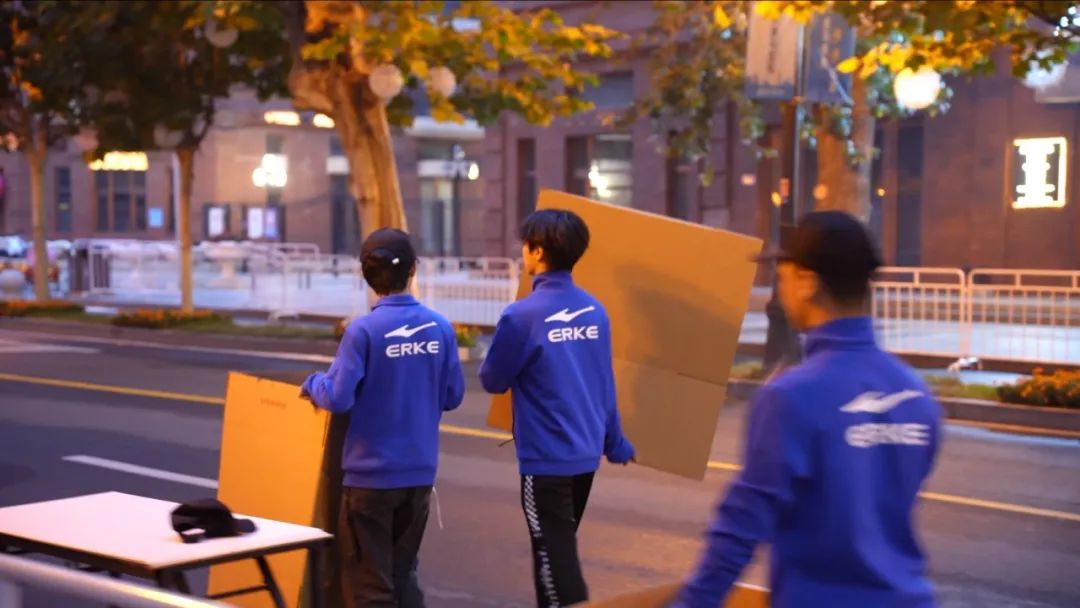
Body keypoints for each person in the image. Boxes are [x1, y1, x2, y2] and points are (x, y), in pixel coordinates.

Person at [673, 210, 942, 608]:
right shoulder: (917, 395)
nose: (779, 290)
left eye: (782, 276)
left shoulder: (791, 396)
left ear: (806, 282)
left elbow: (741, 525)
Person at [480, 208, 635, 608]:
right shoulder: (594, 310)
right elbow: (604, 382)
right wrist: (615, 441)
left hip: (546, 460)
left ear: (537, 252)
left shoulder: (521, 315)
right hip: (585, 456)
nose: (522, 253)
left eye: (525, 246)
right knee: (558, 549)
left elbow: (492, 380)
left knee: (553, 558)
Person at [302, 228, 465, 608]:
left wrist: (313, 383)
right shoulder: (440, 328)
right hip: (419, 476)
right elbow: (453, 396)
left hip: (370, 480)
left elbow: (337, 396)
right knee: (402, 575)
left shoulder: (363, 331)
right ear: (412, 269)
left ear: (366, 275)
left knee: (370, 587)